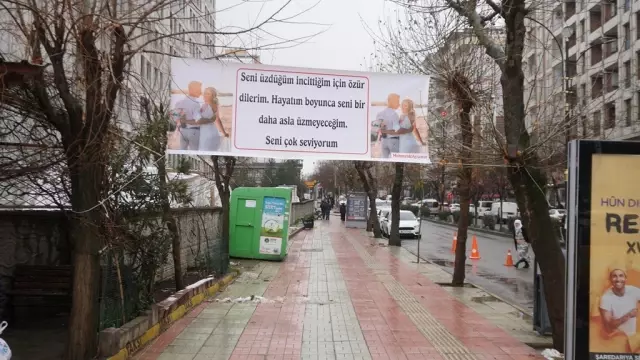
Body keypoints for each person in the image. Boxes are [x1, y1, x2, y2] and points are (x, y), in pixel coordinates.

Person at [600, 266, 640, 336]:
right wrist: (629, 315)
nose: (618, 279)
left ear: (625, 278)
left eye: (621, 276)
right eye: (614, 276)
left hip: (632, 337)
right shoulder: (605, 298)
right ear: (610, 279)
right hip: (616, 339)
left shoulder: (634, 290)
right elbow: (610, 325)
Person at [173, 81, 203, 150]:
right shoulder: (195, 104)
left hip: (183, 131)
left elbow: (175, 117)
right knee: (195, 153)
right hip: (194, 131)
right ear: (193, 90)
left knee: (182, 152)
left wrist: (182, 119)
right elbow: (198, 120)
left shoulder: (179, 102)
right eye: (199, 90)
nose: (201, 92)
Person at [199, 87, 229, 151]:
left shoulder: (213, 105)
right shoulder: (204, 105)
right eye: (204, 93)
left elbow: (217, 120)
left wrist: (224, 133)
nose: (205, 95)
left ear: (213, 96)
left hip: (208, 131)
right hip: (203, 131)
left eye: (208, 94)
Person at [376, 93, 401, 158]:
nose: (399, 103)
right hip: (394, 141)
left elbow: (377, 129)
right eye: (397, 101)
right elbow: (397, 129)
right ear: (392, 102)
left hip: (383, 141)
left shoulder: (379, 114)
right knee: (396, 160)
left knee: (384, 160)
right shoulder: (394, 114)